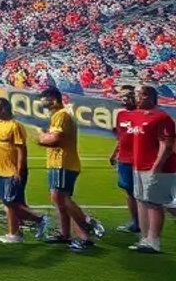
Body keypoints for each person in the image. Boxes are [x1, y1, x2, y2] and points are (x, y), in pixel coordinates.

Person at [36, 86, 105, 252]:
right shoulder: (58, 116)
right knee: (59, 200)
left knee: (61, 197)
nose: (42, 102)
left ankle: (87, 225)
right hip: (59, 163)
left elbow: (55, 140)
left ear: (53, 99)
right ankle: (65, 234)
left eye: (44, 98)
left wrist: (41, 137)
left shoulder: (61, 115)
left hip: (62, 162)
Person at [119, 84, 175, 254]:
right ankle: (145, 239)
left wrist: (156, 167)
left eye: (139, 95)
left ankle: (154, 241)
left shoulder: (161, 117)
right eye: (135, 94)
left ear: (149, 97)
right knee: (142, 201)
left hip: (156, 168)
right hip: (138, 166)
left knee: (154, 204)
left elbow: (166, 145)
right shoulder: (136, 115)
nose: (136, 98)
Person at [0, 97, 44, 244]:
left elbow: (21, 150)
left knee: (10, 202)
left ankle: (38, 221)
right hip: (0, 169)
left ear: (4, 109)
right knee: (8, 202)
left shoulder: (15, 126)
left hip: (12, 171)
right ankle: (17, 231)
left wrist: (19, 171)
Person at [111, 84, 144, 238]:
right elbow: (121, 138)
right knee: (130, 192)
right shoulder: (121, 115)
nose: (124, 99)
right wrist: (114, 154)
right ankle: (136, 222)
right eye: (122, 96)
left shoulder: (144, 115)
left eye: (127, 96)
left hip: (142, 160)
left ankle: (143, 224)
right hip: (124, 159)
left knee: (145, 194)